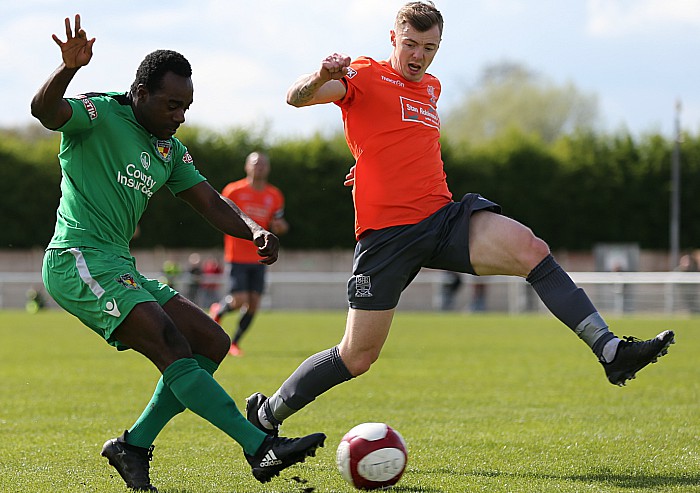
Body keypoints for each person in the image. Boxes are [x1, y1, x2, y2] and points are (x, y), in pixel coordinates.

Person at [244, 1, 675, 437]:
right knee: (357, 356)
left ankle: (610, 351)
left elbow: (400, 143)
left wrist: (374, 164)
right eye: (411, 44)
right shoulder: (361, 74)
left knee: (532, 250)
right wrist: (321, 74)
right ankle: (268, 414)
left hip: (443, 219)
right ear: (393, 38)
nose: (419, 56)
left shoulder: (432, 87)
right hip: (387, 237)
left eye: (430, 47)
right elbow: (295, 97)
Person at [30, 15, 324, 492]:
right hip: (76, 260)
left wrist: (253, 230)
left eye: (185, 107)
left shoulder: (169, 150)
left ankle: (134, 446)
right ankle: (258, 447)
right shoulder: (99, 114)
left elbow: (209, 200)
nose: (179, 116)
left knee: (211, 340)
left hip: (118, 267)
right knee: (168, 343)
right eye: (171, 105)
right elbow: (44, 111)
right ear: (141, 92)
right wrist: (67, 70)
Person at [209, 152, 289, 356]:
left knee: (253, 304)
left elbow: (279, 223)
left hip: (260, 257)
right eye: (255, 164)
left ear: (268, 169)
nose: (259, 167)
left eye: (263, 164)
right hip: (237, 256)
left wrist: (280, 227)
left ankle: (234, 343)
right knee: (239, 300)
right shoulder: (233, 190)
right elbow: (221, 216)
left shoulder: (275, 195)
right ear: (247, 167)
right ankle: (218, 310)